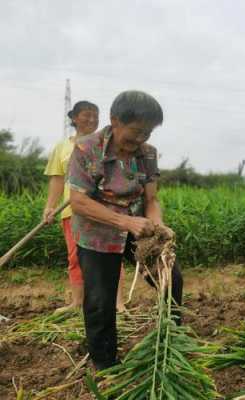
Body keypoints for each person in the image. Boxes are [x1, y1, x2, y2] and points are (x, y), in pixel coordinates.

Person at [68, 90, 183, 370]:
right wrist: (126, 223)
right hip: (98, 236)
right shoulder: (86, 150)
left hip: (138, 233)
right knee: (99, 302)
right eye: (136, 132)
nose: (141, 139)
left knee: (171, 280)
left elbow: (151, 199)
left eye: (148, 133)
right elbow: (78, 201)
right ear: (115, 120)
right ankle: (106, 364)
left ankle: (170, 342)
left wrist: (157, 226)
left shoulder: (148, 154)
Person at [43, 101, 127, 314]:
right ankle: (77, 303)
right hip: (72, 211)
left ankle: (117, 303)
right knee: (75, 257)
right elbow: (57, 180)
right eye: (86, 115)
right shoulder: (62, 147)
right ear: (73, 118)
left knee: (111, 254)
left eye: (95, 115)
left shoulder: (106, 145)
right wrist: (50, 207)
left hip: (104, 210)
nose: (92, 119)